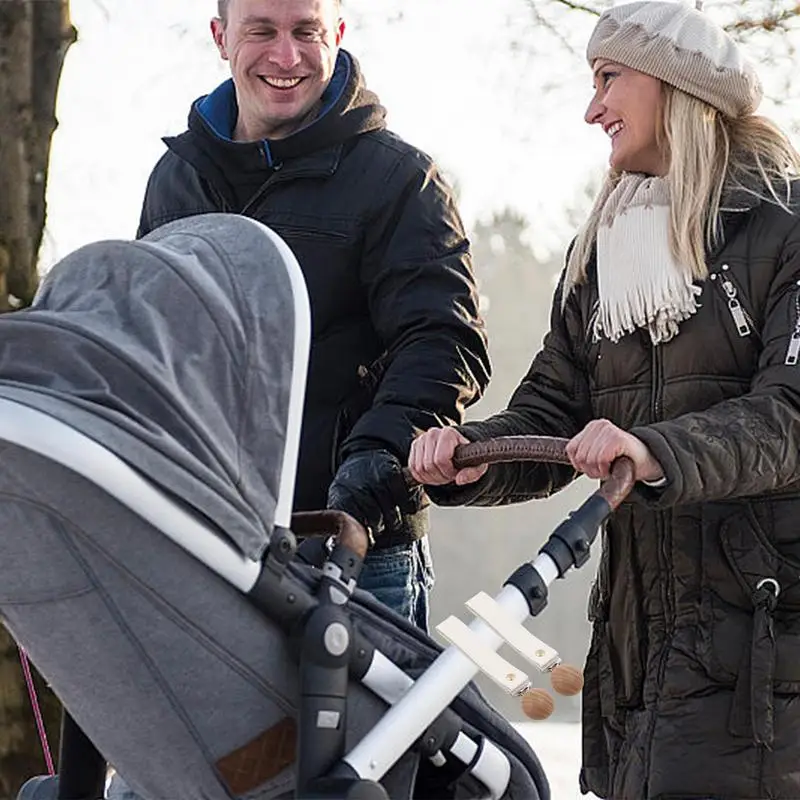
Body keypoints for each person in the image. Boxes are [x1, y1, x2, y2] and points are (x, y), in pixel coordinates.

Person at [409, 2, 800, 798]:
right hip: (633, 653)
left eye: (609, 78)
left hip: (761, 659)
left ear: (675, 87)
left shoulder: (784, 228)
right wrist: (472, 457)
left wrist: (655, 450)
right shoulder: (601, 252)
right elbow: (555, 409)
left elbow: (791, 416)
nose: (592, 109)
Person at [136, 0, 490, 631]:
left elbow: (443, 339)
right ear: (221, 37)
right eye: (261, 32)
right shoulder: (177, 178)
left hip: (355, 541)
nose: (285, 56)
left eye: (306, 32)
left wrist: (378, 456)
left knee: (363, 735)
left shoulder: (400, 180)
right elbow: (152, 345)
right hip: (205, 536)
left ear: (338, 35)